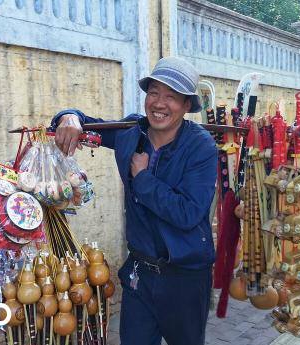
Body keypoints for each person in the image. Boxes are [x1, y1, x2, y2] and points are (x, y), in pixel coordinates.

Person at [51, 56, 217, 345]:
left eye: (171, 96)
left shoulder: (201, 146)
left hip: (184, 278)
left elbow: (188, 213)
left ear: (187, 106)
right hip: (140, 273)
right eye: (154, 92)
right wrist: (69, 117)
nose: (159, 103)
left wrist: (142, 179)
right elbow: (87, 124)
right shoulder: (131, 133)